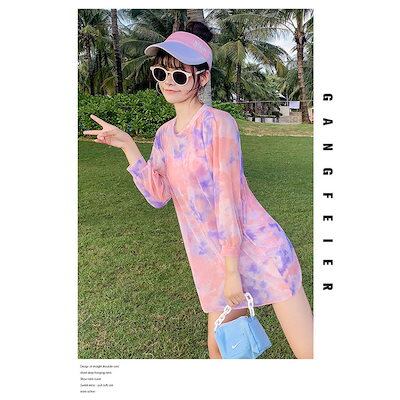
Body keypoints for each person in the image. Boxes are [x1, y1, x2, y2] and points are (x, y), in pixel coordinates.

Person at [83, 21, 313, 359]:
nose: (168, 82)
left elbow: (227, 199)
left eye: (179, 75)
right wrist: (129, 147)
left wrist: (232, 272)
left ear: (202, 78)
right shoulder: (164, 135)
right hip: (214, 262)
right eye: (161, 72)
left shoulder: (218, 124)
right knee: (220, 352)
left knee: (309, 353)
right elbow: (158, 195)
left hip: (259, 249)